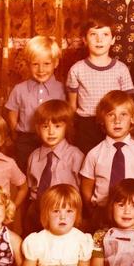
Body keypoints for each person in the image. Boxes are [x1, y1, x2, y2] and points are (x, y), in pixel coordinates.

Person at [79, 91, 134, 231]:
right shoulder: (94, 154)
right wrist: (93, 211)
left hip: (131, 213)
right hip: (101, 213)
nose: (117, 120)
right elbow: (86, 187)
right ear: (102, 120)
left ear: (132, 118)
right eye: (111, 115)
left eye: (123, 114)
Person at [66, 13, 134, 154]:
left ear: (113, 40)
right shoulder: (77, 69)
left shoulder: (121, 69)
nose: (99, 40)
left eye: (105, 34)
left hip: (114, 122)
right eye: (93, 34)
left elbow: (129, 105)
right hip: (86, 127)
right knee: (87, 164)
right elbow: (72, 106)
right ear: (84, 40)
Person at [5, 35, 65, 171]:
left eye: (46, 64)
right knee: (26, 173)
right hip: (26, 140)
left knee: (51, 172)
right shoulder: (19, 89)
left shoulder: (62, 89)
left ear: (55, 63)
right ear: (28, 64)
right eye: (35, 64)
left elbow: (67, 117)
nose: (41, 69)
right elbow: (12, 114)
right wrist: (17, 134)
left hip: (54, 139)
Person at [24, 100, 84, 234]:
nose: (51, 132)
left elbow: (82, 189)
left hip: (64, 213)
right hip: (37, 210)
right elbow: (31, 186)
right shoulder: (34, 157)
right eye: (45, 126)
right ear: (38, 128)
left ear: (67, 127)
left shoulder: (75, 156)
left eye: (57, 126)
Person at [20, 184, 93, 266]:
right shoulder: (36, 241)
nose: (63, 217)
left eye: (69, 211)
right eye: (56, 211)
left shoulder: (82, 240)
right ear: (46, 214)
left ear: (77, 214)